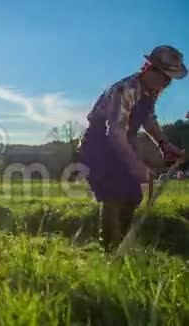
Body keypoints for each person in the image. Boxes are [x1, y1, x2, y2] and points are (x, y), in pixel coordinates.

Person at [79, 45, 186, 252]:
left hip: (121, 143)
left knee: (131, 194)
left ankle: (120, 247)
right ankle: (109, 251)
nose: (166, 83)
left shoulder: (149, 92)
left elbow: (148, 120)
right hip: (99, 145)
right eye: (164, 77)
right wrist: (135, 165)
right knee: (113, 194)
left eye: (169, 80)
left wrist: (164, 145)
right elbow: (115, 131)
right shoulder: (126, 89)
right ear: (150, 69)